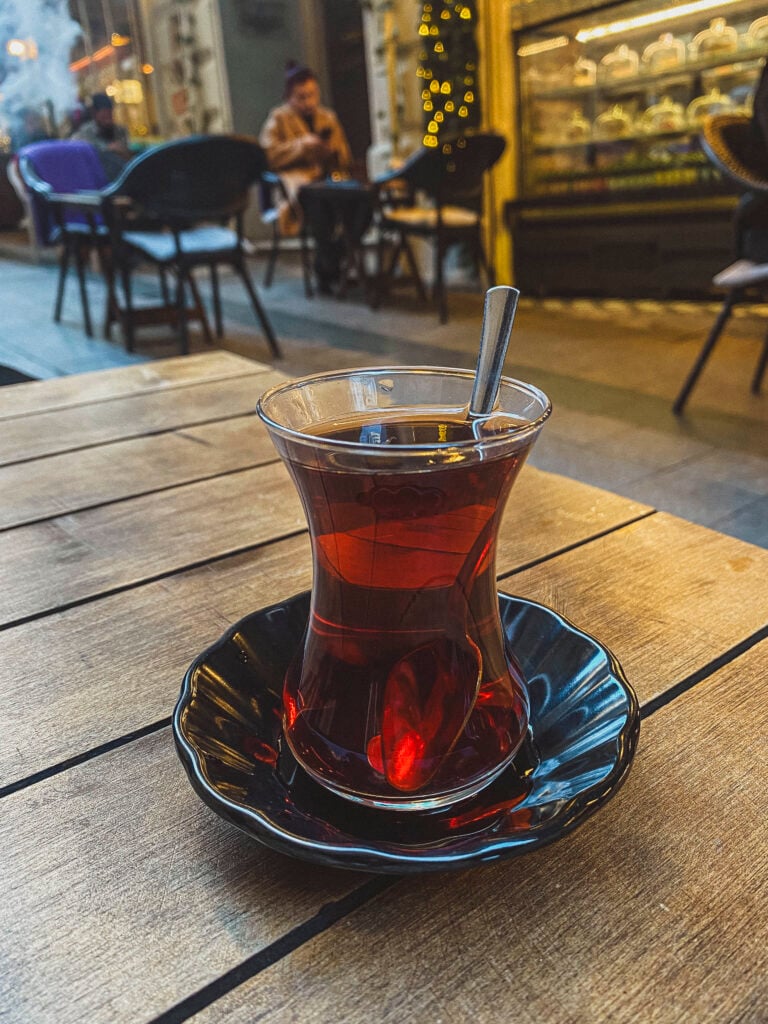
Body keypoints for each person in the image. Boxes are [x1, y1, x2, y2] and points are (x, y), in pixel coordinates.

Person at [259, 63, 366, 293]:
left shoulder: (327, 117)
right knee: (317, 203)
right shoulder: (278, 119)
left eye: (312, 95)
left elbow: (344, 156)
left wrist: (330, 151)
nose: (308, 102)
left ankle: (331, 258)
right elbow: (268, 156)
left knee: (364, 203)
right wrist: (302, 146)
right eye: (301, 97)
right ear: (289, 97)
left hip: (330, 181)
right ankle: (328, 267)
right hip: (298, 187)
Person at [74, 93, 132, 181]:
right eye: (104, 115)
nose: (108, 120)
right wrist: (108, 148)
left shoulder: (119, 131)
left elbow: (128, 157)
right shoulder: (84, 133)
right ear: (95, 114)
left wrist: (124, 152)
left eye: (110, 115)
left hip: (120, 177)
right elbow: (81, 156)